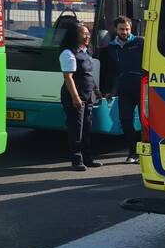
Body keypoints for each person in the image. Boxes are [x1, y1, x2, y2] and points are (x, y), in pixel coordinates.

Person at [60, 22, 102, 171]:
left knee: (87, 129)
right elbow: (68, 77)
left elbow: (88, 74)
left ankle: (88, 158)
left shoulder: (84, 52)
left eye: (88, 34)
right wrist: (75, 97)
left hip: (88, 95)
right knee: (76, 129)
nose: (87, 36)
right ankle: (76, 160)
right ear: (75, 36)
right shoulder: (68, 53)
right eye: (84, 34)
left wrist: (96, 90)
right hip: (75, 96)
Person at [106, 16, 144, 163]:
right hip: (124, 90)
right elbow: (111, 71)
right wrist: (110, 90)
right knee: (126, 122)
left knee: (144, 122)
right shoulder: (112, 47)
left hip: (141, 89)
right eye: (122, 29)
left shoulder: (140, 42)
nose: (125, 31)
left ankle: (145, 153)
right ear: (116, 29)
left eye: (127, 29)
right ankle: (132, 152)